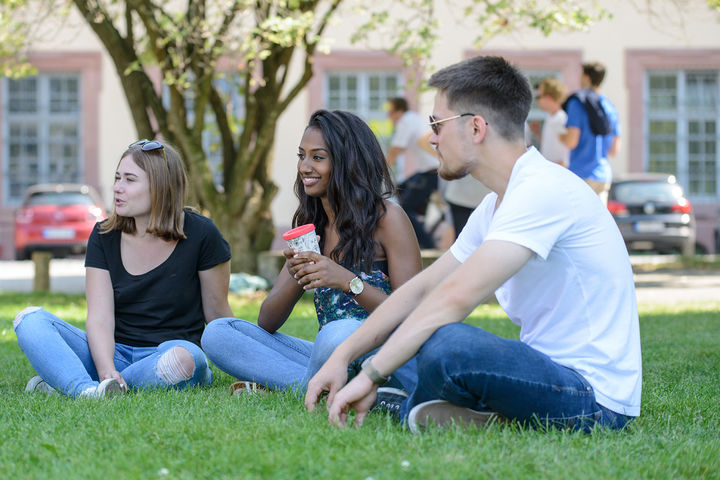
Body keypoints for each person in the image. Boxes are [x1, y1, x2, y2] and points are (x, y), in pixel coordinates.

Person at [305, 56, 641, 434]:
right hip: (539, 375)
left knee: (448, 343)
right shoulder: (496, 203)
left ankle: (427, 404)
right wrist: (344, 355)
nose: (431, 138)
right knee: (375, 332)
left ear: (476, 127)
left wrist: (369, 374)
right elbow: (421, 289)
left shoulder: (543, 190)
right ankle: (458, 411)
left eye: (437, 124)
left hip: (591, 398)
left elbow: (451, 300)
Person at [201, 110, 421, 395]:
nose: (305, 166)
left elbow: (411, 315)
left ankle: (311, 386)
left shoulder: (388, 218)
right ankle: (322, 386)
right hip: (327, 355)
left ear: (347, 162)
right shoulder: (311, 225)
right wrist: (295, 274)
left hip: (380, 354)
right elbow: (266, 322)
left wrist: (346, 281)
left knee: (336, 333)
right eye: (301, 155)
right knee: (219, 332)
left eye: (318, 157)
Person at [14, 140, 234, 398]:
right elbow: (99, 317)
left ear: (161, 186)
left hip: (168, 355)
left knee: (187, 359)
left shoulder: (203, 234)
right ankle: (87, 390)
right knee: (29, 320)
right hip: (112, 352)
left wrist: (251, 367)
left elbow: (218, 315)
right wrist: (107, 369)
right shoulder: (104, 234)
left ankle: (70, 381)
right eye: (117, 178)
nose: (117, 188)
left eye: (130, 180)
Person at [559, 61, 621, 205]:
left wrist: (559, 136)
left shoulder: (578, 103)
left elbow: (571, 141)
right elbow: (614, 150)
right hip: (603, 175)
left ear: (586, 78)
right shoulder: (609, 106)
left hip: (581, 174)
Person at [386, 97, 440, 249]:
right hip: (426, 171)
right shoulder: (412, 118)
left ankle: (428, 244)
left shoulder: (406, 120)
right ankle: (419, 221)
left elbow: (396, 149)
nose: (389, 116)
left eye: (390, 112)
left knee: (405, 207)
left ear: (399, 111)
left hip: (432, 172)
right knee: (399, 189)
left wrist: (379, 170)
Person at [530, 77, 570, 167]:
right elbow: (551, 145)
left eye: (539, 97)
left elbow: (566, 154)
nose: (537, 101)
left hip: (557, 172)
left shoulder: (561, 119)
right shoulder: (551, 117)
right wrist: (537, 133)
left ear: (548, 98)